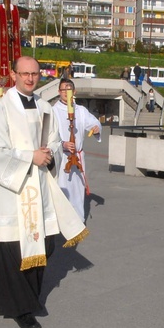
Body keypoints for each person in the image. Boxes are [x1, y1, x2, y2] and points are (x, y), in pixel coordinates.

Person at [0, 56, 88, 328]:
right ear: (14, 75)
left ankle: (7, 278)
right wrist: (31, 156)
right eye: (24, 73)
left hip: (39, 188)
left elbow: (53, 140)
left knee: (46, 245)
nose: (30, 78)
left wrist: (49, 155)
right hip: (13, 190)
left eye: (35, 74)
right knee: (16, 249)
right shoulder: (0, 108)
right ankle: (22, 308)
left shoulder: (44, 106)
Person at [52, 78, 101, 222]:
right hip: (62, 157)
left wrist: (96, 128)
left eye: (69, 90)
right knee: (62, 189)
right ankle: (64, 223)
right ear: (58, 92)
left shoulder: (81, 110)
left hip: (78, 156)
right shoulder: (53, 111)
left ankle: (79, 221)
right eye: (63, 90)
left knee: (78, 189)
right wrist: (62, 144)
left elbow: (94, 122)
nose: (66, 93)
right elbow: (49, 135)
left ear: (74, 92)